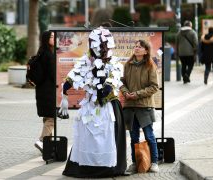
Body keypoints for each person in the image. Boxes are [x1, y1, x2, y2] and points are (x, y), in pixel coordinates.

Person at [59, 27, 127, 178]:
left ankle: (110, 167)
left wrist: (107, 87)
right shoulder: (85, 61)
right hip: (90, 105)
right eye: (96, 43)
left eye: (102, 44)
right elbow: (74, 76)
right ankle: (86, 167)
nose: (99, 47)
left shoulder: (115, 62)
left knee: (106, 135)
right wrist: (65, 88)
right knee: (87, 136)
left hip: (108, 106)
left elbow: (113, 79)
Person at [120, 39, 159, 173]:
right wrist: (125, 93)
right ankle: (135, 163)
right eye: (135, 46)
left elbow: (154, 87)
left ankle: (154, 162)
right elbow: (122, 82)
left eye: (140, 47)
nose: (136, 48)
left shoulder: (150, 65)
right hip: (130, 106)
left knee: (149, 135)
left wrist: (136, 94)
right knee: (134, 137)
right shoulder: (127, 65)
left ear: (146, 50)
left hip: (144, 106)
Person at [34, 31, 56, 153]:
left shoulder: (41, 53)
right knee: (52, 117)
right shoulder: (49, 55)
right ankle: (42, 141)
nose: (54, 38)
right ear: (46, 39)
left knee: (47, 117)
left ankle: (48, 146)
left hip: (42, 91)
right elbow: (53, 74)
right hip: (49, 92)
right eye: (52, 37)